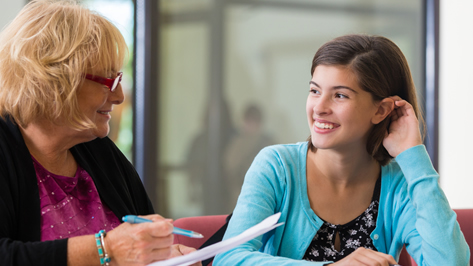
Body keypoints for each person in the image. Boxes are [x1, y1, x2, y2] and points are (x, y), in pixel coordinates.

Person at [214, 34, 470, 265]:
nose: (319, 107)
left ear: (380, 110)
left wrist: (413, 155)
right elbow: (230, 259)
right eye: (315, 91)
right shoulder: (276, 166)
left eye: (340, 96)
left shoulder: (400, 184)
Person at [0, 1, 200, 265]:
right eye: (109, 80)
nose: (118, 96)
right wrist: (106, 249)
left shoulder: (98, 149)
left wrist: (166, 256)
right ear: (54, 81)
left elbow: (141, 238)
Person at [224, 104, 275, 211]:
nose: (251, 125)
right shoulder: (238, 144)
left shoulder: (267, 143)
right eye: (249, 121)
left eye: (254, 122)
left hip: (254, 198)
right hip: (247, 198)